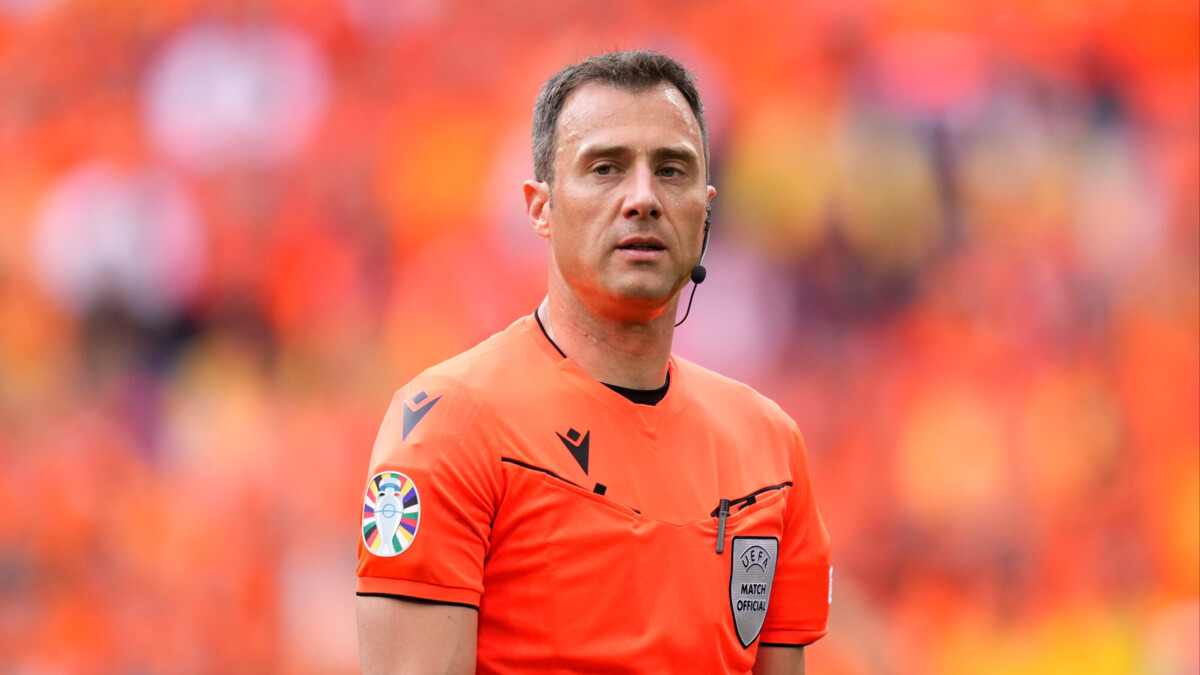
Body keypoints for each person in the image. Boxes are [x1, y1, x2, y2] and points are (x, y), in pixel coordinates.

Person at [357, 50, 832, 674]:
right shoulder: (449, 425)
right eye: (606, 168)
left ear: (707, 208)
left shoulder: (770, 447)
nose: (644, 198)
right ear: (541, 208)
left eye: (672, 170)